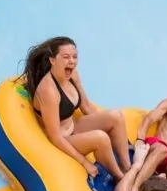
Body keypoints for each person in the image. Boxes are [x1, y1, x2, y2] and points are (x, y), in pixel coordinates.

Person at [22, 36, 131, 182]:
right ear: (52, 60)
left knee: (115, 116)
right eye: (66, 57)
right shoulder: (49, 91)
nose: (72, 61)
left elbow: (85, 106)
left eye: (75, 56)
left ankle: (128, 168)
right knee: (100, 138)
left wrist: (109, 127)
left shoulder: (72, 75)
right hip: (63, 139)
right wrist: (84, 162)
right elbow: (55, 137)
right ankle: (121, 178)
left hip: (74, 127)